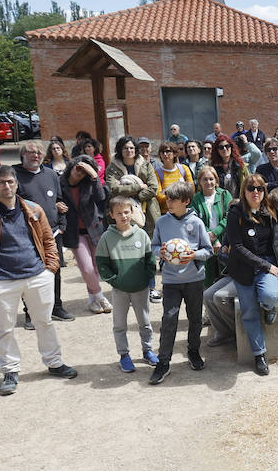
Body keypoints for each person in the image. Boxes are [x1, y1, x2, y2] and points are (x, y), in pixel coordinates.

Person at [0, 164, 79, 396]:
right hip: (1, 282)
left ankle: (54, 363)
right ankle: (10, 370)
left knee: (44, 322)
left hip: (37, 276)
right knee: (4, 328)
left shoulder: (33, 210)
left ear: (17, 183)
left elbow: (48, 241)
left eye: (10, 182)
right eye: (1, 182)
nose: (7, 186)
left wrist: (50, 270)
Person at [216, 175, 278, 376]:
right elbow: (236, 247)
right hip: (244, 267)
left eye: (260, 189)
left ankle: (269, 307)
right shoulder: (235, 213)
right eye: (251, 188)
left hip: (266, 265)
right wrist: (265, 265)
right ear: (244, 191)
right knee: (250, 312)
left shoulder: (269, 212)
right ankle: (259, 354)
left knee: (270, 296)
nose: (256, 192)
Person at [148, 181, 212, 385]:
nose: (168, 202)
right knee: (169, 319)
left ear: (186, 201)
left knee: (195, 319)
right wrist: (163, 252)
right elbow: (154, 246)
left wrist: (193, 255)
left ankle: (193, 352)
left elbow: (208, 251)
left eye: (173, 200)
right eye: (167, 199)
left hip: (194, 279)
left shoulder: (197, 222)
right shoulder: (162, 223)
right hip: (171, 281)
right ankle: (163, 362)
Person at [95, 196, 158, 373]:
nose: (123, 216)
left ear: (133, 212)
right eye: (119, 213)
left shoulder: (141, 234)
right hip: (120, 290)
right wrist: (114, 279)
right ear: (111, 215)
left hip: (141, 288)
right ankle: (124, 355)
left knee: (145, 322)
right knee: (120, 324)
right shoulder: (107, 238)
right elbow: (101, 263)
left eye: (127, 212)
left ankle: (148, 350)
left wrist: (147, 277)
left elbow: (150, 260)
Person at [15, 140, 74, 323]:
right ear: (23, 156)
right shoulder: (14, 175)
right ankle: (31, 313)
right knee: (31, 274)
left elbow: (59, 200)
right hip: (27, 234)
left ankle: (56, 307)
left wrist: (62, 225)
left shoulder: (50, 174)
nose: (36, 156)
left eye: (39, 153)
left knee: (54, 271)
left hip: (53, 233)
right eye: (31, 153)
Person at [61, 155, 109, 314]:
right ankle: (100, 296)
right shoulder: (59, 182)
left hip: (93, 228)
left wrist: (94, 176)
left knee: (96, 268)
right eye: (79, 169)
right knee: (87, 268)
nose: (80, 173)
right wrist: (56, 205)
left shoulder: (89, 183)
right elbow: (53, 199)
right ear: (72, 166)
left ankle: (92, 301)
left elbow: (101, 197)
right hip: (74, 231)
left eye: (84, 172)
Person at [105, 136, 161, 235]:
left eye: (131, 148)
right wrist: (139, 187)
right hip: (121, 210)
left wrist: (137, 196)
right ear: (120, 150)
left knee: (148, 239)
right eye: (125, 148)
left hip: (147, 210)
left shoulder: (146, 165)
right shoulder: (112, 168)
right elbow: (114, 189)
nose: (129, 150)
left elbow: (153, 188)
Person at [188, 166, 231, 287]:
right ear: (200, 182)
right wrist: (213, 239)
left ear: (216, 180)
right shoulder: (196, 199)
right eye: (205, 179)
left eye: (211, 179)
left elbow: (229, 217)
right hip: (204, 243)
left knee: (225, 277)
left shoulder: (224, 195)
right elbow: (196, 220)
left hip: (225, 241)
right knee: (208, 279)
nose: (208, 182)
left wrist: (215, 233)